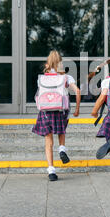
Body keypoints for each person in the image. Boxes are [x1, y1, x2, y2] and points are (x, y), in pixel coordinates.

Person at [32, 50, 81, 181]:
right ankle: (62, 149)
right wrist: (77, 109)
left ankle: (51, 171)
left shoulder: (43, 78)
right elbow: (77, 91)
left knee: (48, 141)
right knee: (61, 131)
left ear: (48, 63)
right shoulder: (66, 78)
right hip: (60, 111)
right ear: (60, 62)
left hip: (46, 111)